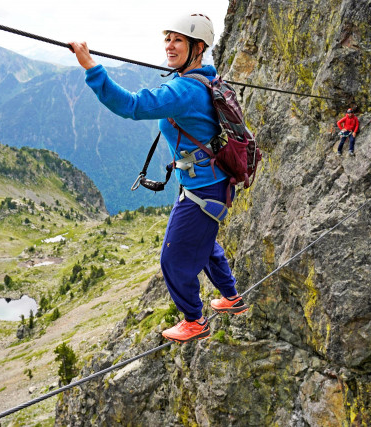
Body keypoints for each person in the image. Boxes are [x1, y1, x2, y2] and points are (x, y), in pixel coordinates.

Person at [69, 13, 248, 344]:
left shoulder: (183, 90)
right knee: (205, 242)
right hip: (212, 182)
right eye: (168, 38)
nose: (169, 45)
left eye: (178, 40)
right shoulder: (207, 78)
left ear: (198, 47)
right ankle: (232, 299)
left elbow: (131, 106)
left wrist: (91, 67)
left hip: (202, 188)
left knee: (173, 257)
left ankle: (194, 320)